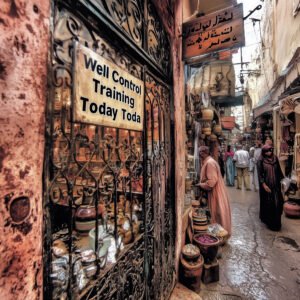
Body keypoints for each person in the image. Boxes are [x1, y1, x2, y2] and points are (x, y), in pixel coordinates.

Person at [197, 146, 232, 236]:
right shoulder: (209, 161)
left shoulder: (209, 163)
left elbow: (211, 182)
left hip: (215, 191)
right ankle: (219, 236)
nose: (199, 155)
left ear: (204, 153)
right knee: (217, 212)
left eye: (200, 153)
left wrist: (200, 185)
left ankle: (218, 237)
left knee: (216, 213)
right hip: (217, 190)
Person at [257, 145, 284, 231]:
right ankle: (270, 223)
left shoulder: (275, 158)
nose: (269, 152)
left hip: (276, 185)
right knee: (269, 204)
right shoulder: (261, 160)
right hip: (267, 186)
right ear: (264, 152)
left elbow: (279, 171)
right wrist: (264, 185)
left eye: (270, 150)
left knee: (278, 203)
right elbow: (260, 175)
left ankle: (277, 224)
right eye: (267, 151)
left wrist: (283, 181)